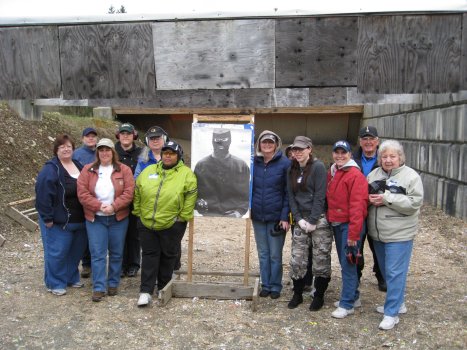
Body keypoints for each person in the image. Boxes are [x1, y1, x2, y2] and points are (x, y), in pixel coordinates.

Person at [367, 140, 423, 330]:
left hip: (399, 234)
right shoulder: (374, 174)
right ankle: (398, 303)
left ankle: (391, 313)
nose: (388, 160)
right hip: (378, 234)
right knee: (386, 272)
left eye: (392, 156)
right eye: (384, 156)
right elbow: (363, 197)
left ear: (400, 157)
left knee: (394, 272)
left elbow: (414, 203)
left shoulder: (410, 177)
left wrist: (386, 198)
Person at [133, 140, 197, 307]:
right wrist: (138, 212)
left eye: (172, 153)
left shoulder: (186, 174)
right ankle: (146, 291)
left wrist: (182, 217)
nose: (168, 156)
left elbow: (190, 195)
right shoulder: (148, 170)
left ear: (178, 156)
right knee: (149, 256)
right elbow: (138, 190)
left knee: (168, 256)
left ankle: (163, 287)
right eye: (165, 153)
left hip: (172, 223)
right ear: (161, 155)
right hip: (147, 222)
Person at [77, 138, 135, 302]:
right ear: (97, 153)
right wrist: (98, 206)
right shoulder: (88, 170)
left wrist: (114, 206)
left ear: (113, 152)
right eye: (101, 150)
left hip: (118, 218)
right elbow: (82, 193)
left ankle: (113, 283)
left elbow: (129, 192)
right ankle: (99, 287)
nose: (104, 153)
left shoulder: (124, 170)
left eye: (107, 150)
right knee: (97, 254)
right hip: (96, 219)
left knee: (117, 253)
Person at [35, 134, 87, 296]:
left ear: (73, 149)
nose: (66, 149)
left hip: (80, 220)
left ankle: (71, 277)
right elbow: (43, 195)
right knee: (57, 253)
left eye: (69, 146)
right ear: (56, 150)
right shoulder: (50, 169)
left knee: (75, 252)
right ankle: (55, 282)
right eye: (62, 147)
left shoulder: (79, 165)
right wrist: (47, 218)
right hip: (59, 221)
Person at [287, 136, 332, 311]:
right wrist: (298, 218)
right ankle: (297, 293)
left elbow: (320, 195)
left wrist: (313, 220)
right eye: (295, 149)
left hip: (318, 218)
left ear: (309, 149)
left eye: (301, 149)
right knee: (297, 258)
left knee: (321, 257)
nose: (297, 152)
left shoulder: (318, 167)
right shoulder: (291, 169)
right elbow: (290, 195)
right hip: (300, 219)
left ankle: (319, 295)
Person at [327, 140, 368, 319]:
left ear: (350, 155)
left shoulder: (354, 175)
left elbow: (358, 207)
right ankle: (353, 296)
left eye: (343, 153)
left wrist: (353, 234)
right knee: (346, 262)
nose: (340, 156)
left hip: (350, 225)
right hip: (338, 223)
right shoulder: (335, 171)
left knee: (348, 265)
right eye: (337, 152)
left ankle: (347, 304)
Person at [251, 131, 290, 299]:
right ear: (259, 144)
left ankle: (275, 285)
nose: (267, 145)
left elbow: (288, 192)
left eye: (270, 142)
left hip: (276, 216)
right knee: (263, 253)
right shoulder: (254, 163)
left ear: (276, 144)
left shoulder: (285, 163)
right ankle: (265, 284)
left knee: (275, 254)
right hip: (258, 215)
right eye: (264, 142)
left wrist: (284, 216)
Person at [353, 126, 386, 291]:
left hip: (377, 209)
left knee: (378, 245)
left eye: (371, 139)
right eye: (364, 139)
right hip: (359, 209)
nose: (368, 142)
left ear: (377, 141)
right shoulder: (352, 159)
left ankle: (381, 276)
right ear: (360, 141)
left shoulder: (385, 159)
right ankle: (356, 277)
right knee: (356, 245)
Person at [194, 129, 250, 217]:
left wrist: (238, 213)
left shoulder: (241, 166)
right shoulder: (201, 165)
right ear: (212, 141)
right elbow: (194, 192)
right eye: (217, 140)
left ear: (230, 141)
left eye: (224, 140)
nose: (220, 144)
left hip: (233, 218)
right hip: (207, 217)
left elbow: (246, 196)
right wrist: (198, 204)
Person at [115, 123, 142, 278]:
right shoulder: (112, 151)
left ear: (134, 135)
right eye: (123, 133)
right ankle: (119, 265)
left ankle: (133, 264)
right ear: (118, 135)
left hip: (135, 198)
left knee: (134, 234)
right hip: (117, 199)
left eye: (128, 133)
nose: (125, 136)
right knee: (118, 234)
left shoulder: (141, 152)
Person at [73, 127, 98, 279]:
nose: (90, 139)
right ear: (82, 138)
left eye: (93, 136)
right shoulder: (76, 155)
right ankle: (86, 264)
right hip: (82, 198)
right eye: (87, 136)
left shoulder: (101, 152)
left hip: (99, 199)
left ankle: (97, 263)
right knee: (84, 232)